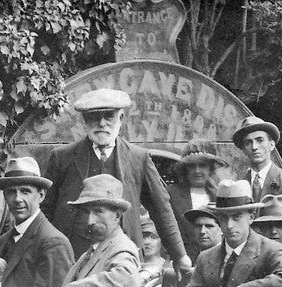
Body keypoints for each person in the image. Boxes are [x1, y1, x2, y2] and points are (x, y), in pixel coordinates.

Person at [40, 88, 190, 275]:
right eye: (94, 117)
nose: (102, 123)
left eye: (109, 116)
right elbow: (44, 211)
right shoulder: (63, 157)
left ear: (121, 119)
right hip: (71, 257)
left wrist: (179, 255)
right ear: (84, 121)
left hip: (122, 257)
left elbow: (161, 209)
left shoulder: (138, 158)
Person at [176, 180, 282, 287]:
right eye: (223, 218)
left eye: (236, 217)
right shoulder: (206, 257)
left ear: (251, 217)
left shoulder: (270, 250)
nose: (229, 225)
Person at [0, 156, 74, 287]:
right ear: (5, 196)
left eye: (25, 191)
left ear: (41, 195)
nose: (18, 199)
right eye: (12, 192)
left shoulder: (53, 242)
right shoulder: (5, 239)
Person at [60, 175, 143, 287]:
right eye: (86, 212)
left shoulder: (121, 247)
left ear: (117, 215)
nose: (90, 221)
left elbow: (127, 282)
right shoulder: (94, 250)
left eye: (98, 211)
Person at [170, 139, 233, 263]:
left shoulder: (220, 194)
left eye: (202, 165)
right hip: (183, 260)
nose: (197, 171)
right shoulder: (171, 194)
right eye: (192, 166)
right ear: (185, 169)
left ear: (210, 168)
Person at [233, 116, 282, 217]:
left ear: (271, 145)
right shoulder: (239, 185)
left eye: (260, 140)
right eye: (248, 142)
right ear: (243, 150)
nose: (254, 147)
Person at [138, 211, 174, 287]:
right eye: (143, 237)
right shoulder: (133, 265)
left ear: (162, 241)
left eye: (153, 237)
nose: (147, 242)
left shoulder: (169, 266)